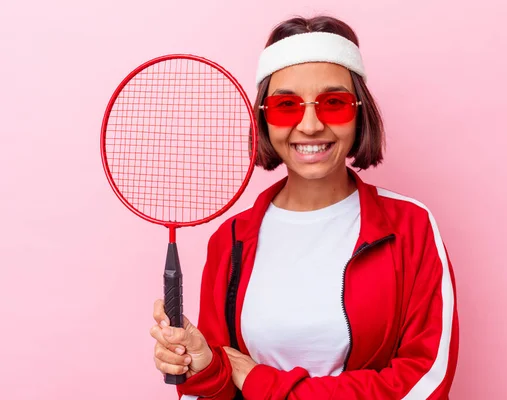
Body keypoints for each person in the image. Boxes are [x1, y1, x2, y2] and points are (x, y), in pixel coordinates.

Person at [150, 15, 459, 400]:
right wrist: (203, 371)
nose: (310, 125)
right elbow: (217, 389)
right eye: (286, 105)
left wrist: (264, 383)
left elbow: (425, 384)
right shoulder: (230, 241)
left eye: (334, 102)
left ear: (360, 111)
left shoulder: (411, 226)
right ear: (263, 117)